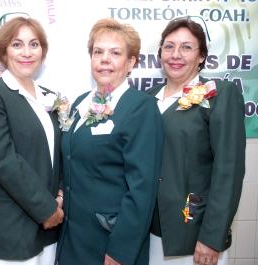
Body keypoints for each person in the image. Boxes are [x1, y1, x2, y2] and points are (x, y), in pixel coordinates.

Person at [55, 18, 164, 265]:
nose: (105, 59)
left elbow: (142, 189)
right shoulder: (81, 103)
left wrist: (120, 251)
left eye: (115, 53)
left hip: (110, 242)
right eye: (98, 52)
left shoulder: (141, 107)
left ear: (131, 62)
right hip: (72, 237)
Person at [147, 17, 246, 265]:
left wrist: (212, 237)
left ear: (201, 56)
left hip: (195, 235)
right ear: (160, 53)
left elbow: (229, 171)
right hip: (149, 232)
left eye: (186, 47)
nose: (175, 55)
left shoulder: (219, 95)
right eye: (169, 46)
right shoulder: (147, 100)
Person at [0, 17, 63, 265]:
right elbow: (2, 159)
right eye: (17, 44)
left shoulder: (49, 98)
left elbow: (58, 154)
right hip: (11, 226)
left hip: (50, 226)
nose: (26, 52)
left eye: (34, 44)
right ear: (3, 51)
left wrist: (60, 195)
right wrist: (47, 209)